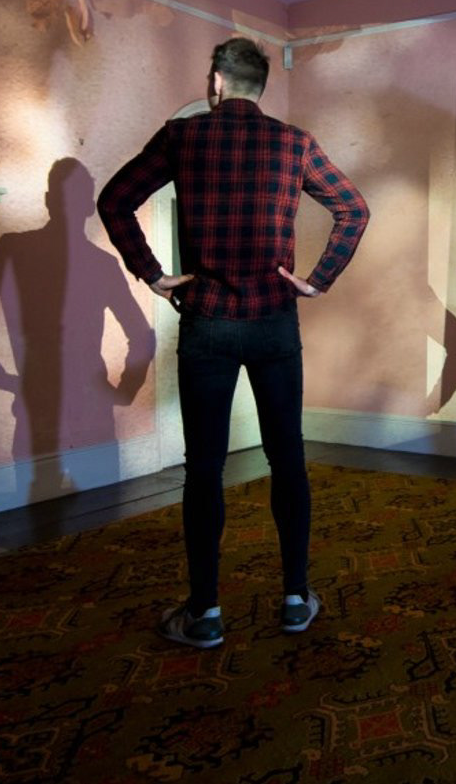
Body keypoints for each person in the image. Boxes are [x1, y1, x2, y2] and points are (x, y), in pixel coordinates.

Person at [97, 37, 370, 649]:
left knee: (204, 468)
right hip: (273, 321)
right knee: (287, 457)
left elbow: (114, 201)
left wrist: (153, 274)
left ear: (216, 81)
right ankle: (295, 599)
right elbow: (353, 210)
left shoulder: (182, 136)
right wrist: (317, 280)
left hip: (208, 322)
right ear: (259, 85)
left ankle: (205, 613)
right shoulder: (294, 142)